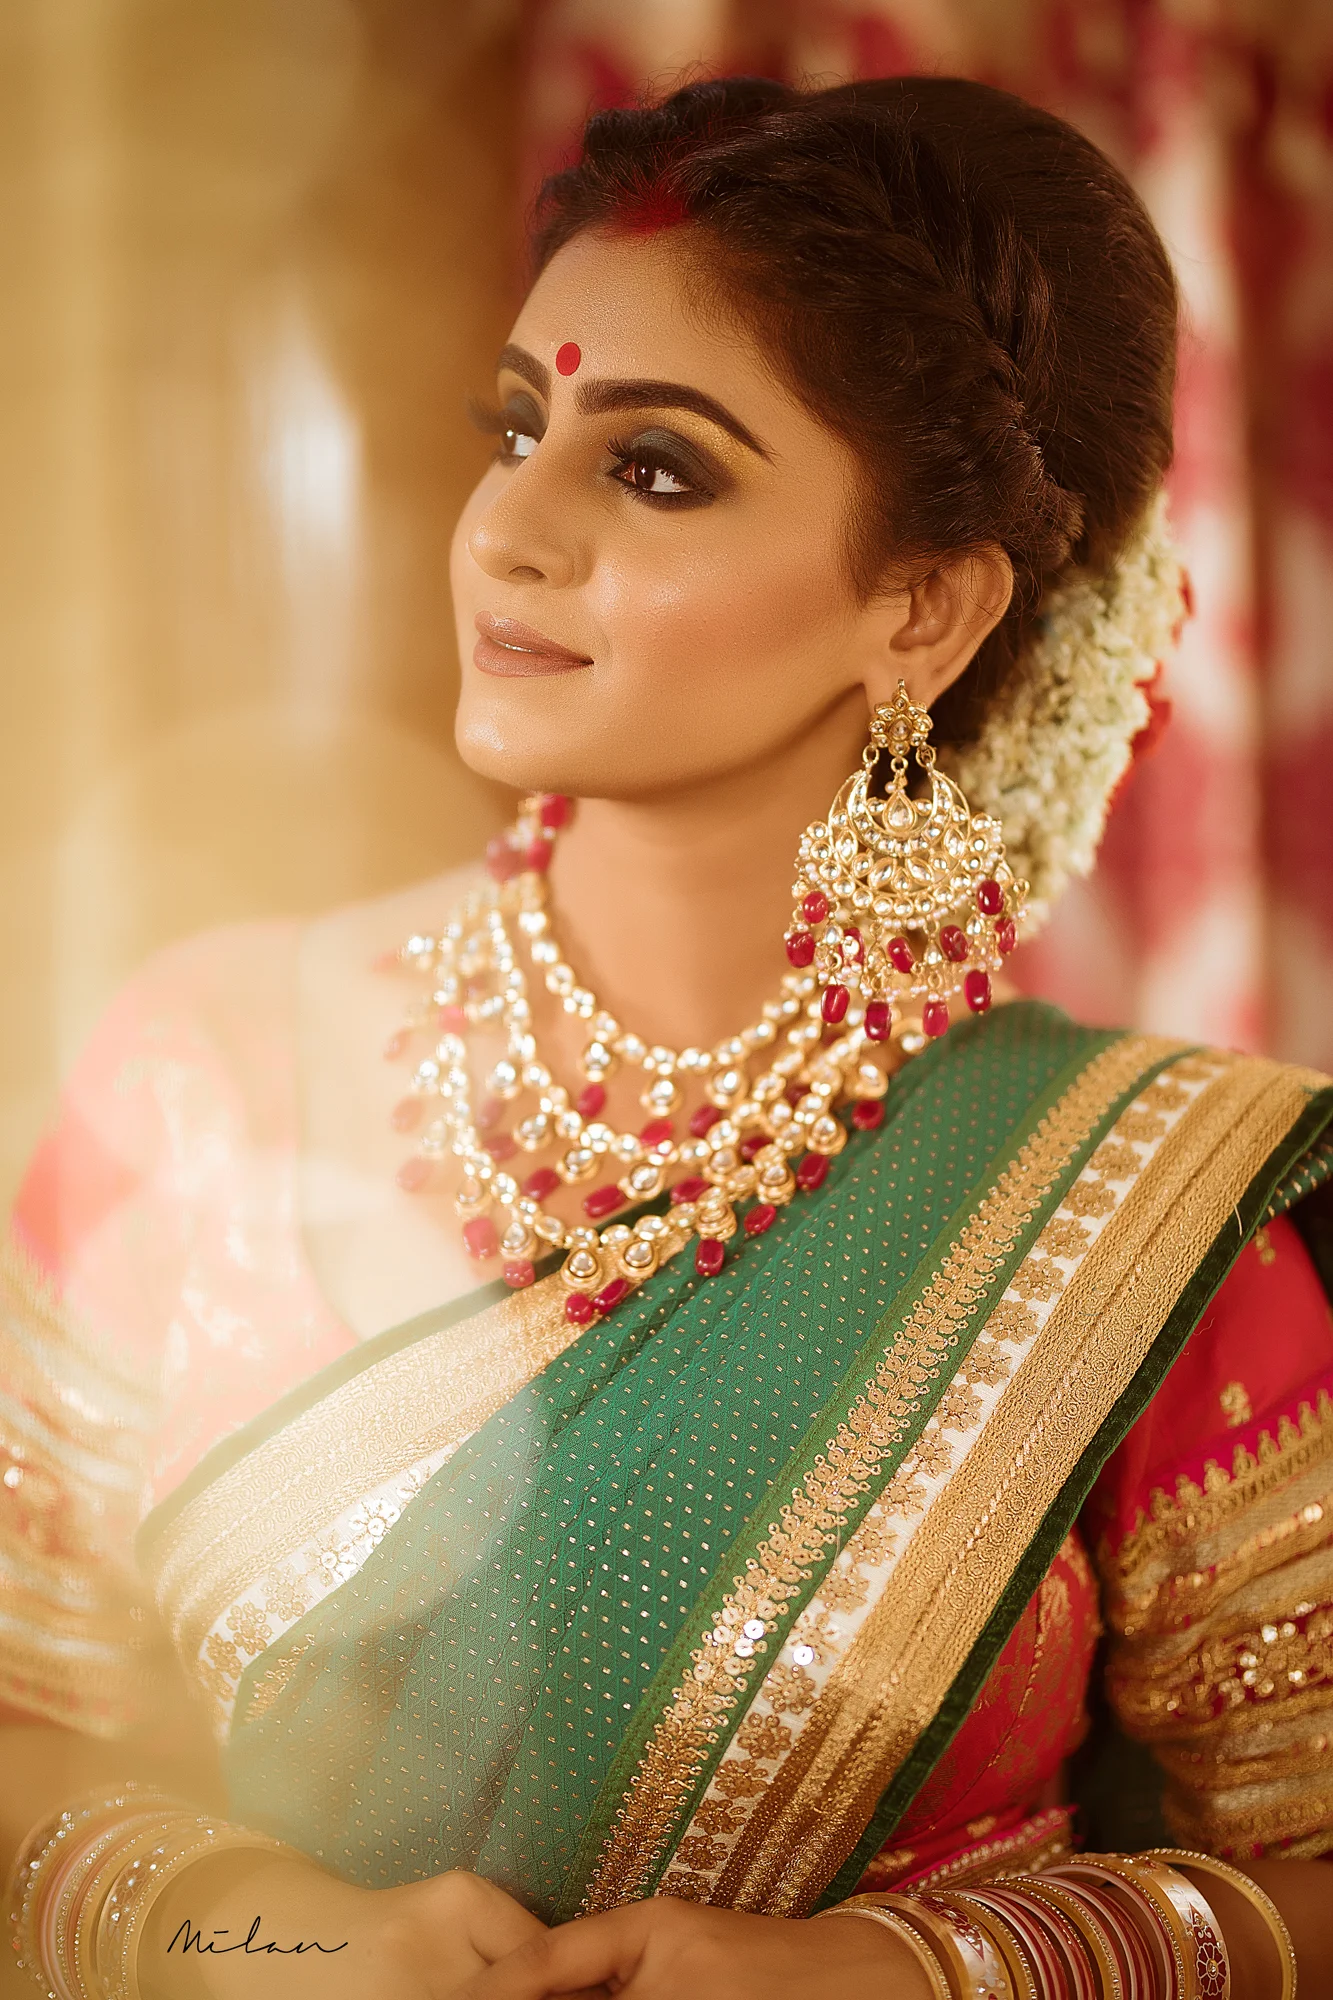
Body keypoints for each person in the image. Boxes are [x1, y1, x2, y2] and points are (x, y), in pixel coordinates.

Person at [3, 73, 1331, 2000]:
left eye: (654, 471)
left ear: (928, 606)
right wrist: (260, 1937)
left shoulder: (1143, 1212)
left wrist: (900, 1979)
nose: (506, 535)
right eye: (517, 429)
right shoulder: (198, 1074)